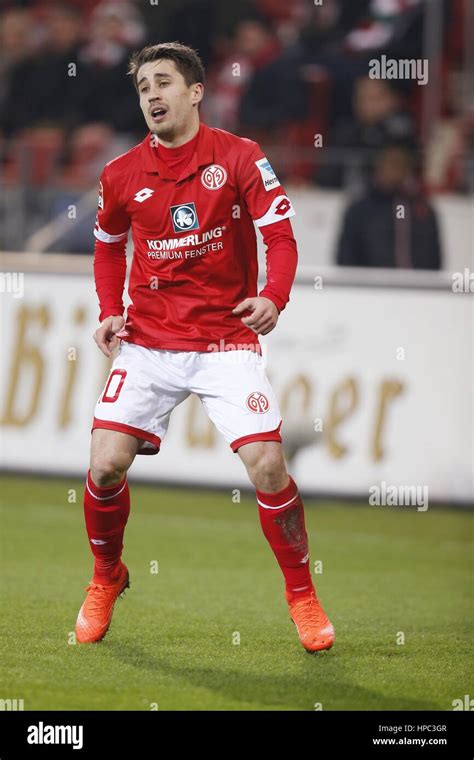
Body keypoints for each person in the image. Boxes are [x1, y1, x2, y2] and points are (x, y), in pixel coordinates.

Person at [75, 42, 335, 654]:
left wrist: (274, 296)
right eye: (143, 87)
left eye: (163, 83)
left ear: (195, 92)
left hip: (225, 339)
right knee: (104, 465)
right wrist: (110, 310)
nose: (152, 95)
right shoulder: (120, 173)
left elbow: (280, 236)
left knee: (268, 466)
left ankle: (302, 594)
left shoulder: (240, 156)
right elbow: (109, 247)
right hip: (149, 341)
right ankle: (107, 574)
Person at [336, 145, 442, 269]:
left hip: (416, 280)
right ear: (379, 167)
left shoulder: (423, 209)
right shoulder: (359, 210)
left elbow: (435, 257)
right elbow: (346, 257)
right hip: (371, 280)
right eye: (392, 164)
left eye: (401, 165)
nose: (396, 172)